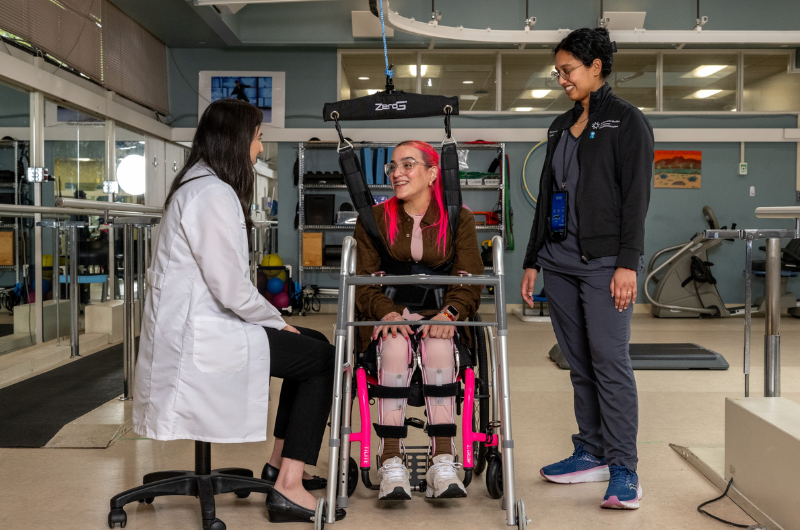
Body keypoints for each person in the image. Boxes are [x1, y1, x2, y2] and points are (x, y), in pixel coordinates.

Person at [132, 98, 344, 524]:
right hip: (202, 337)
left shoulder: (198, 184)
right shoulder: (212, 193)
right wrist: (278, 322)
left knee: (316, 343)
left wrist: (277, 324)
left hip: (196, 327)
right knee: (322, 358)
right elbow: (230, 288)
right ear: (236, 140)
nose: (260, 149)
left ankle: (279, 465)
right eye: (258, 138)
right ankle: (287, 487)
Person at [520, 27, 654, 510]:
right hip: (558, 262)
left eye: (568, 70)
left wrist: (627, 265)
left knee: (610, 364)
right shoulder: (559, 126)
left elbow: (636, 200)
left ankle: (624, 470)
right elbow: (545, 200)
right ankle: (591, 451)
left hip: (603, 266)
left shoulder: (627, 122)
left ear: (595, 67)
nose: (562, 79)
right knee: (579, 365)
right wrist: (533, 259)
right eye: (557, 72)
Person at [354, 140, 483, 500]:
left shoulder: (458, 217)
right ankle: (389, 458)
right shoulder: (373, 220)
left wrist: (450, 313)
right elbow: (363, 281)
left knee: (440, 344)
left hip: (440, 313)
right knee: (394, 346)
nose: (397, 173)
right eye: (392, 167)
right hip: (387, 314)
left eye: (407, 165)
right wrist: (386, 312)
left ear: (432, 173)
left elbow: (469, 277)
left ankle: (443, 458)